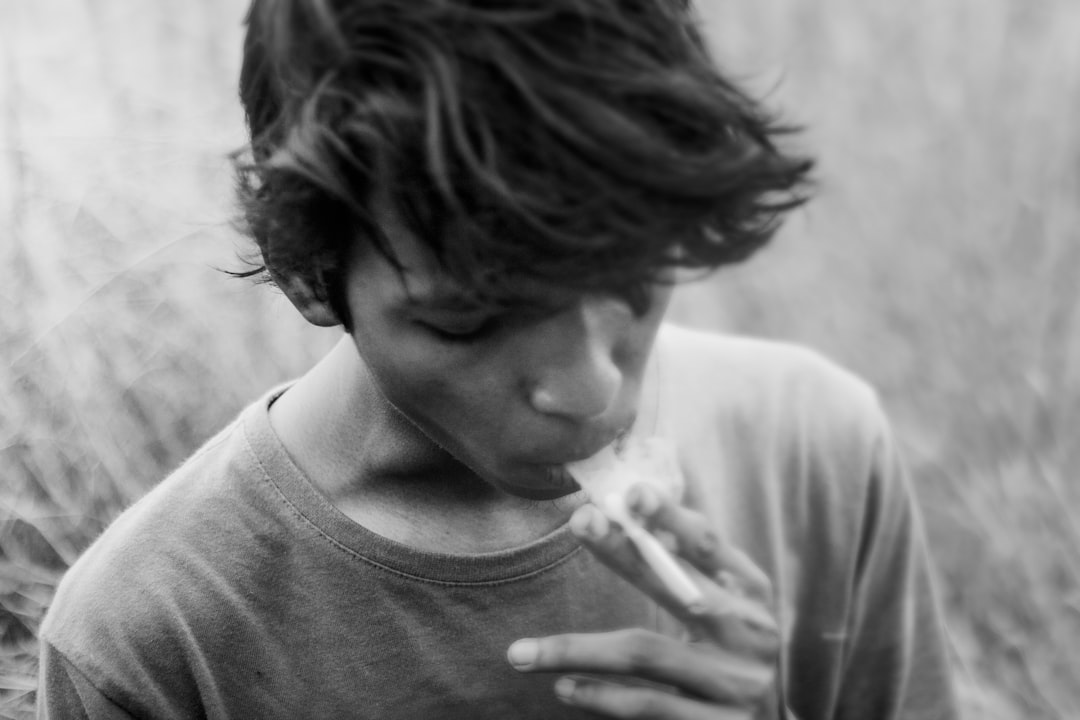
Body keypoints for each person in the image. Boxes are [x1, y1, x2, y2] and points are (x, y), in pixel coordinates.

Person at [37, 1, 959, 718]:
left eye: (632, 276)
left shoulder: (814, 445)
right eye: (472, 321)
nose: (591, 387)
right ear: (311, 276)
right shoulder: (149, 638)